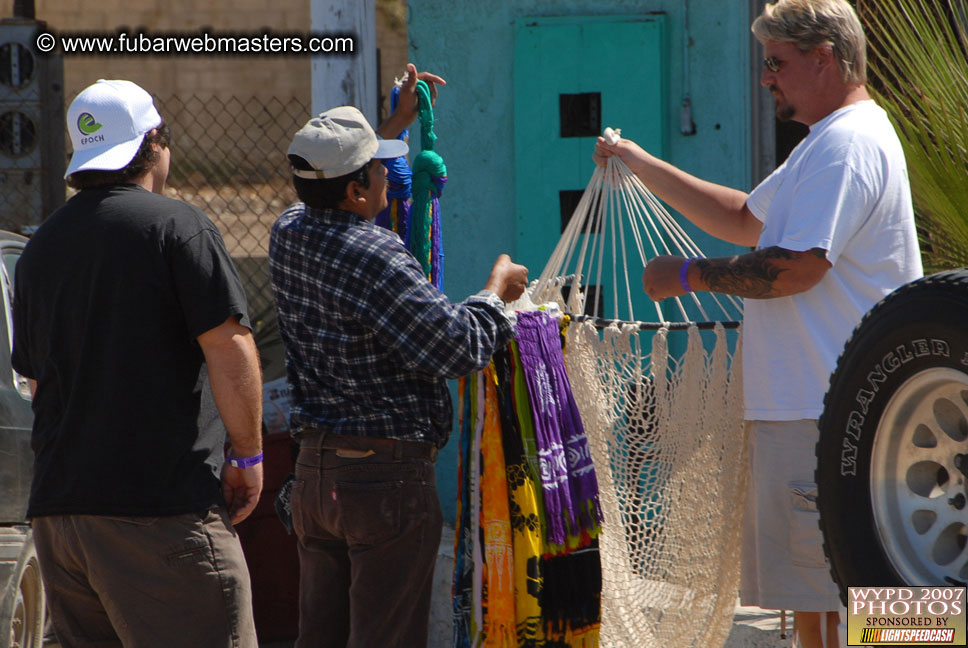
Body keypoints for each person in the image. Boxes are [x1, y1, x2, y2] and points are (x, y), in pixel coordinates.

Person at [595, 1, 922, 647]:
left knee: (849, 598)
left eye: (777, 63)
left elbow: (798, 267)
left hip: (828, 411)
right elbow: (748, 218)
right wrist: (639, 162)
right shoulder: (828, 144)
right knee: (854, 597)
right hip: (826, 408)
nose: (766, 77)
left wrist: (688, 275)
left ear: (823, 58)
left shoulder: (847, 145)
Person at [268, 66, 529, 648]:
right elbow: (455, 347)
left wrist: (397, 121)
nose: (392, 173)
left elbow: (338, 180)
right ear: (358, 189)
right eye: (381, 167)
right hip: (381, 484)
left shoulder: (287, 231)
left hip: (316, 479)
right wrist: (496, 294)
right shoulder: (376, 254)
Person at [12, 79, 264, 647]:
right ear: (156, 142)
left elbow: (33, 378)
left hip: (62, 516)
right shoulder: (177, 227)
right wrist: (247, 454)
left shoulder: (40, 249)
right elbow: (230, 345)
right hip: (160, 510)